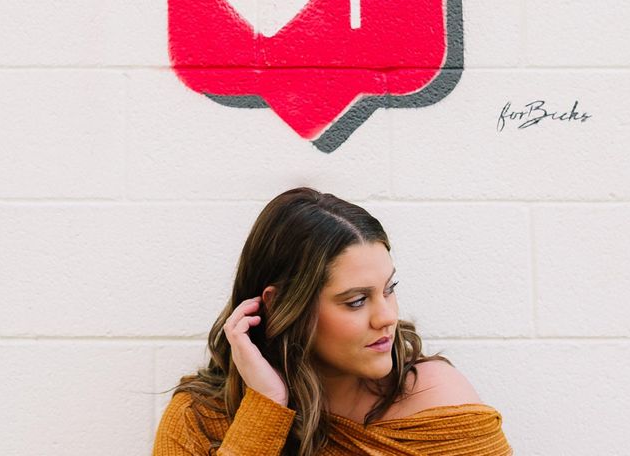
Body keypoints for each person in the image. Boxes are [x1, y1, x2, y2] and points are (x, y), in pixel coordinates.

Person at [153, 187, 511, 455]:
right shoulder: (198, 419)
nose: (387, 317)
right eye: (356, 301)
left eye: (389, 289)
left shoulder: (436, 401)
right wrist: (265, 408)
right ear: (279, 306)